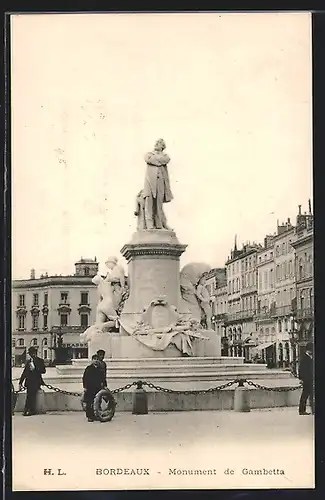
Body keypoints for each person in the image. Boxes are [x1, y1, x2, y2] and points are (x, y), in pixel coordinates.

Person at [143, 138, 173, 230]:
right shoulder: (149, 154)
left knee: (159, 204)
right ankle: (150, 225)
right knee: (149, 202)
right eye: (156, 142)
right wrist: (159, 160)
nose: (156, 144)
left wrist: (157, 160)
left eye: (159, 143)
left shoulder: (165, 156)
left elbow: (166, 159)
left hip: (161, 182)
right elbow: (149, 159)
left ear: (163, 147)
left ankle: (160, 225)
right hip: (150, 182)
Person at [19, 346, 46, 416]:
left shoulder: (40, 361)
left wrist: (35, 368)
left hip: (36, 381)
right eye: (30, 353)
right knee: (29, 396)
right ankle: (26, 410)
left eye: (31, 353)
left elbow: (43, 371)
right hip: (29, 382)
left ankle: (30, 410)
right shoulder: (28, 362)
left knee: (32, 396)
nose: (31, 355)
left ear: (34, 353)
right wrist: (20, 382)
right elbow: (24, 373)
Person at [82, 354, 106, 422]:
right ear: (92, 360)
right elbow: (85, 378)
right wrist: (85, 387)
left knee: (97, 402)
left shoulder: (100, 369)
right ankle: (89, 416)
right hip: (90, 388)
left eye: (97, 359)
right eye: (94, 359)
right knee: (89, 402)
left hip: (97, 388)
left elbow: (103, 378)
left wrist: (104, 385)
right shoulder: (89, 368)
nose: (95, 361)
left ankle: (95, 415)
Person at [298, 342, 314, 415]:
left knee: (310, 395)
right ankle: (302, 410)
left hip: (310, 379)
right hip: (306, 380)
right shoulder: (304, 358)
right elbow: (301, 369)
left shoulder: (309, 357)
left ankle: (312, 410)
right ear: (309, 350)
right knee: (305, 395)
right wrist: (301, 379)